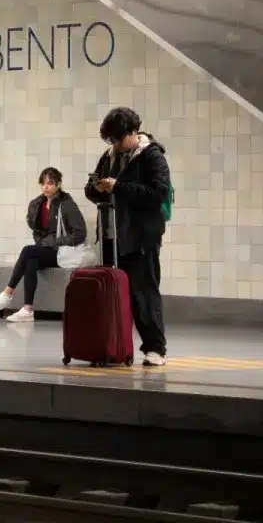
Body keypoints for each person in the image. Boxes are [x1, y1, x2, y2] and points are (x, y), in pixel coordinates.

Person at [91, 107, 172, 365]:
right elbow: (93, 193)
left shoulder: (152, 155)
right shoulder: (110, 156)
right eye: (110, 140)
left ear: (132, 132)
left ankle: (156, 348)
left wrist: (119, 186)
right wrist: (97, 187)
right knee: (118, 295)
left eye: (117, 139)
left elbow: (158, 193)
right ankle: (117, 346)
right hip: (114, 235)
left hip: (143, 235)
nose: (114, 144)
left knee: (144, 292)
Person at [0, 167, 87, 323]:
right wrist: (42, 243)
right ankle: (27, 310)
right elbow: (37, 230)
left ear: (58, 184)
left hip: (62, 252)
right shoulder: (38, 204)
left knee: (28, 251)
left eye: (50, 183)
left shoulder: (66, 204)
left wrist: (56, 242)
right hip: (46, 249)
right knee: (31, 260)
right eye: (43, 183)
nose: (45, 187)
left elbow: (80, 233)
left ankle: (8, 292)